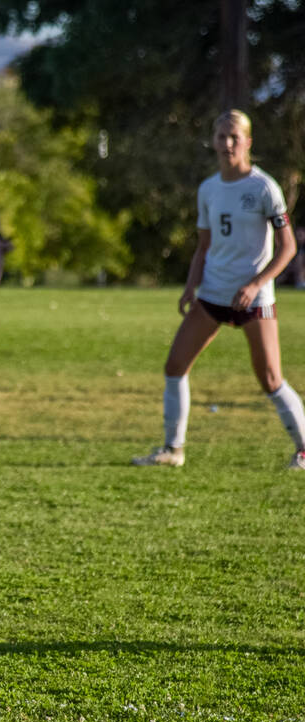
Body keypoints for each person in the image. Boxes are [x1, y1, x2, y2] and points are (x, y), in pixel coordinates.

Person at [132, 110, 303, 470]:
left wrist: (256, 283)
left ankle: (303, 450)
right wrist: (190, 286)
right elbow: (203, 246)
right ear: (212, 141)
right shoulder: (209, 189)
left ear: (248, 142)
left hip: (254, 299)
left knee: (270, 378)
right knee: (175, 365)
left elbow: (288, 247)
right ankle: (172, 450)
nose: (227, 144)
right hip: (213, 295)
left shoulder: (263, 188)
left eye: (234, 137)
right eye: (221, 136)